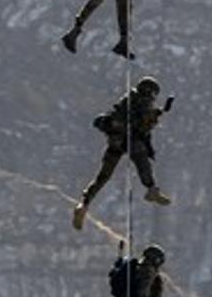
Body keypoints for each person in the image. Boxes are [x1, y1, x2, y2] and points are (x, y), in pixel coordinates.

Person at [74, 77, 175, 229]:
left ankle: (84, 203)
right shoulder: (139, 102)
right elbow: (141, 125)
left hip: (116, 142)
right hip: (129, 140)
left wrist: (157, 114)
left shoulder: (130, 101)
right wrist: (155, 116)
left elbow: (137, 120)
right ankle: (151, 189)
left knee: (103, 176)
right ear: (149, 92)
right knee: (142, 163)